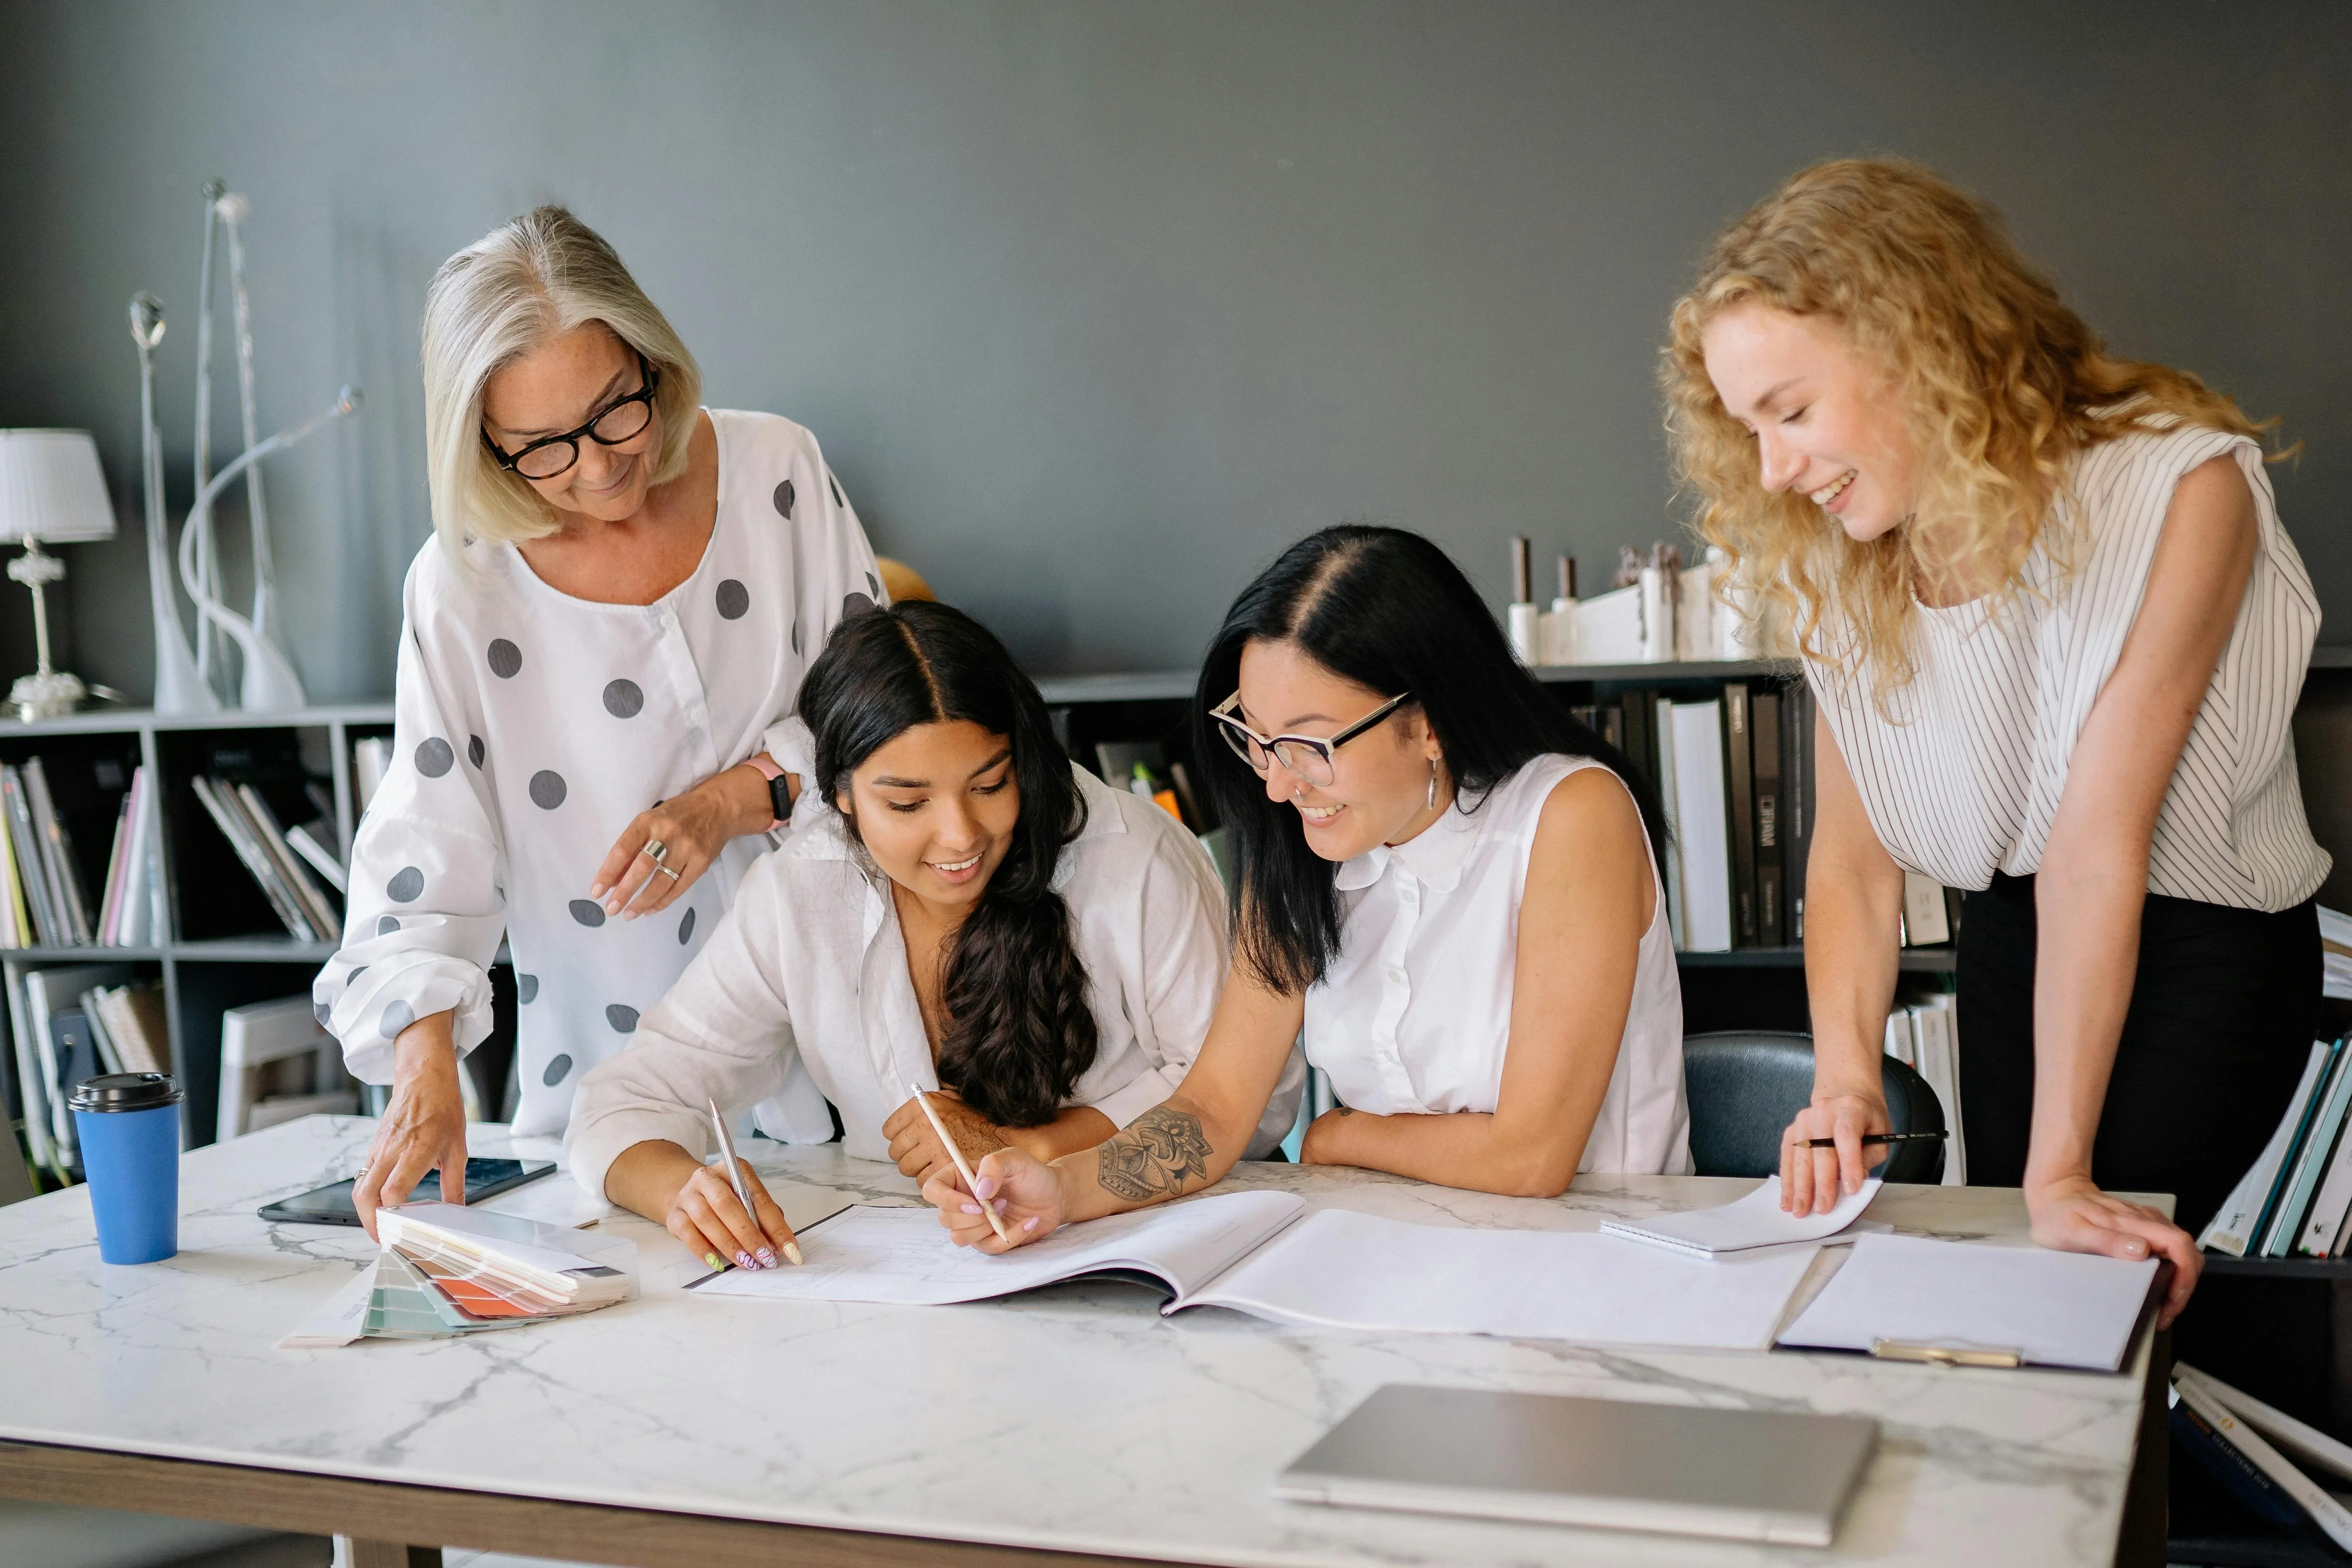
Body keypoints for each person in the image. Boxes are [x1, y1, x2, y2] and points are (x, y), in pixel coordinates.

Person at [1665, 158, 2327, 1327]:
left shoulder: (2178, 487)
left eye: (1791, 412)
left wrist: (2060, 1170)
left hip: (2203, 955)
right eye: (1746, 428)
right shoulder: (1843, 548)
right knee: (2023, 1309)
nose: (1770, 470)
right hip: (2015, 941)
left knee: (2091, 1300)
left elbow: (2095, 843)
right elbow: (1855, 864)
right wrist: (1844, 1080)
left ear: (1912, 341)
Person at [316, 206, 885, 1234]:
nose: (594, 466)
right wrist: (425, 1057)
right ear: (482, 443)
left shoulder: (777, 474)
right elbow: (423, 855)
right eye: (539, 447)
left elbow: (886, 729)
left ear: (648, 358)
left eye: (614, 410)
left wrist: (729, 801)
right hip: (611, 1113)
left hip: (843, 1068)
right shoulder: (460, 587)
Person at [922, 526, 1689, 1251]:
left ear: (1427, 722)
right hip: (1393, 1258)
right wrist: (1061, 1189)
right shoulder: (1303, 844)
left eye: (1309, 743)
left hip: (1601, 1263)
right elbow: (1213, 1111)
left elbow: (1530, 1157)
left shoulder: (1570, 815)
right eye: (1254, 735)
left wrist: (1341, 1137)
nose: (1277, 782)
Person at [567, 600, 1302, 1272]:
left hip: (1144, 1263)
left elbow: (1252, 1100)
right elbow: (627, 1096)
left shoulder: (1131, 855)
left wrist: (1044, 1144)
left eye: (989, 785)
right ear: (843, 794)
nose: (961, 835)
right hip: (915, 1284)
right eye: (907, 801)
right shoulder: (802, 890)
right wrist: (680, 1190)